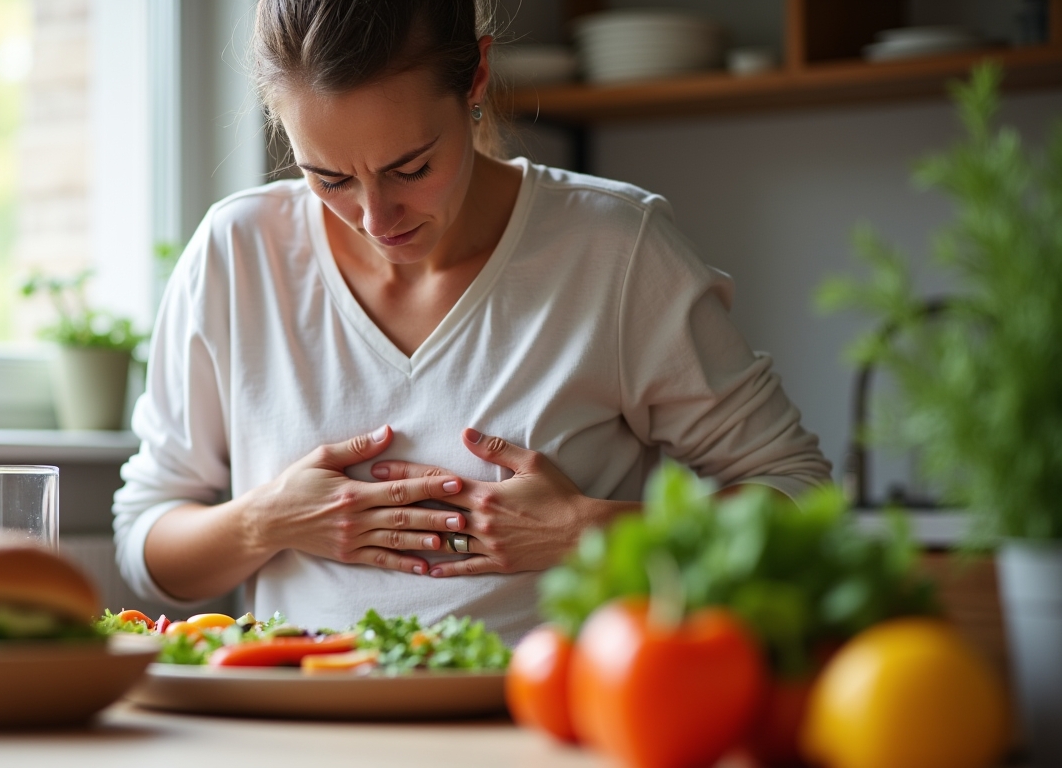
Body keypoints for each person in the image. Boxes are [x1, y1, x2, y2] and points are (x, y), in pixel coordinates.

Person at [113, 0, 830, 643]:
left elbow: (797, 492)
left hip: (544, 728)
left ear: (477, 79)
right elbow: (145, 538)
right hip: (292, 731)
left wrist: (591, 532)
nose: (374, 218)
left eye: (411, 167)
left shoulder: (614, 248)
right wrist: (266, 519)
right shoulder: (238, 252)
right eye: (328, 178)